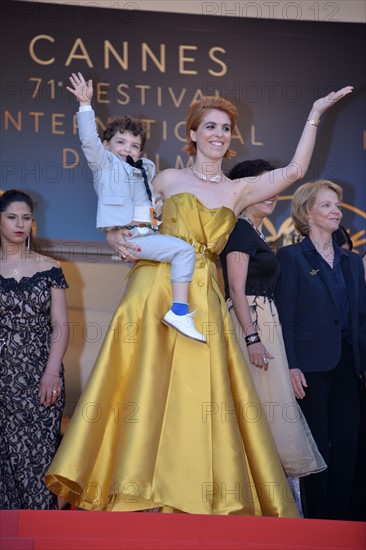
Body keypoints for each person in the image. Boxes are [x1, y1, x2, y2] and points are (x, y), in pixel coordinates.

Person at [46, 86, 353, 516]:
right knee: (141, 385)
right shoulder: (167, 179)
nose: (219, 133)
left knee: (198, 392)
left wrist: (315, 113)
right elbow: (124, 202)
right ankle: (130, 490)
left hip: (204, 293)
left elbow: (297, 168)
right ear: (193, 132)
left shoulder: (239, 189)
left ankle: (193, 495)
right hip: (153, 289)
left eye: (226, 128)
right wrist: (113, 234)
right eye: (210, 126)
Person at [67, 72, 205, 342]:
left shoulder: (145, 169)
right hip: (131, 236)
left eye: (134, 146)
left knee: (184, 250)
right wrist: (85, 105)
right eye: (120, 142)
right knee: (184, 252)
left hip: (149, 234)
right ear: (106, 145)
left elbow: (155, 199)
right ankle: (179, 311)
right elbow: (88, 140)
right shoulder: (105, 164)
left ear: (140, 152)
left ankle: (173, 311)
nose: (126, 149)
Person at [219, 159, 326, 487]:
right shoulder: (238, 229)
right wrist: (252, 337)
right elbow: (236, 287)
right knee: (252, 408)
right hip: (249, 323)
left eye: (274, 187)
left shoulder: (254, 232)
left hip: (265, 322)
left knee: (265, 411)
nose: (271, 194)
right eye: (263, 186)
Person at [275, 180, 366, 520]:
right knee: (315, 448)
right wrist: (291, 366)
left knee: (347, 445)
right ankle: (316, 522)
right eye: (326, 205)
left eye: (337, 205)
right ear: (307, 213)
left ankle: (340, 522)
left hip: (348, 365)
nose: (335, 211)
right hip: (310, 368)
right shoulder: (291, 258)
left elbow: (360, 319)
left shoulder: (351, 261)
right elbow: (285, 317)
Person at [0, 189, 69, 509]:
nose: (19, 224)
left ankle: (43, 533)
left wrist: (52, 372)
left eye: (26, 218)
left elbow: (61, 325)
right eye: (12, 217)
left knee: (39, 460)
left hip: (42, 378)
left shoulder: (50, 267)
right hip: (2, 378)